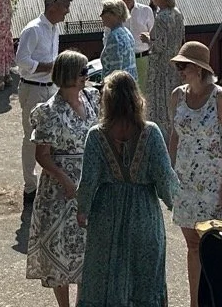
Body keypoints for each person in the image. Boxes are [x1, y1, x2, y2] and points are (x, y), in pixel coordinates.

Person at [75, 70, 179, 307]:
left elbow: (88, 181)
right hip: (144, 217)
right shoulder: (151, 132)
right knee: (145, 283)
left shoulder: (96, 135)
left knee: (105, 281)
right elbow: (165, 178)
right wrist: (179, 205)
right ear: (136, 97)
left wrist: (83, 210)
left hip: (106, 217)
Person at [169, 41, 222, 307]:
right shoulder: (177, 95)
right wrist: (168, 171)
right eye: (178, 66)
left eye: (183, 66)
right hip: (185, 181)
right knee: (192, 246)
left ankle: (219, 300)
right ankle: (195, 302)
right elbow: (174, 136)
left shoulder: (220, 97)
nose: (180, 70)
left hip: (213, 182)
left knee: (215, 246)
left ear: (199, 69)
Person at [26, 51, 98, 307]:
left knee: (87, 250)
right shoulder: (49, 111)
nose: (86, 77)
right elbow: (42, 155)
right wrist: (65, 180)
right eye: (82, 72)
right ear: (68, 74)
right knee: (60, 250)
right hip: (59, 190)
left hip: (89, 182)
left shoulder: (92, 98)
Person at [18, 0, 72, 204]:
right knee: (32, 138)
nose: (67, 11)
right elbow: (21, 60)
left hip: (51, 88)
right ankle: (30, 187)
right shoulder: (33, 30)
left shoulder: (54, 28)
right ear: (52, 7)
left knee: (53, 137)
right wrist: (50, 66)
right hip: (33, 89)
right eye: (65, 6)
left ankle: (50, 181)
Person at [144, 0, 184, 129]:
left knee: (161, 102)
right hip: (176, 62)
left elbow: (160, 46)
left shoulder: (161, 17)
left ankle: (164, 131)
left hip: (162, 66)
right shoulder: (177, 14)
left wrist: (148, 40)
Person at [116, 0, 155, 88]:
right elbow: (107, 37)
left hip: (143, 58)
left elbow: (155, 37)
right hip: (123, 61)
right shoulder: (114, 13)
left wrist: (149, 39)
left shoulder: (146, 10)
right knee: (125, 93)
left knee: (144, 94)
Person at [99, 0, 137, 78]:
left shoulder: (114, 36)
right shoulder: (126, 32)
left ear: (114, 14)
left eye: (104, 12)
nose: (101, 15)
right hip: (130, 82)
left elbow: (116, 70)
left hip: (118, 86)